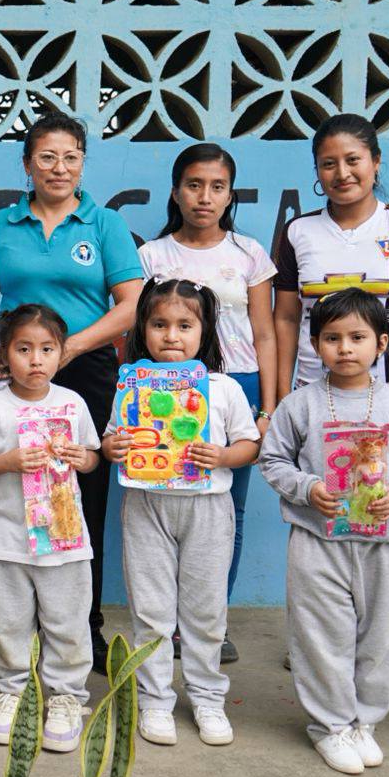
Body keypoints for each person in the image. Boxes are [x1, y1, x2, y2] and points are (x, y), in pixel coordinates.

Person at [273, 113, 389, 691]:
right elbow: (285, 318)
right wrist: (282, 395)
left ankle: (386, 640)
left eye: (353, 160)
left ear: (375, 162)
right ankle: (318, 643)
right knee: (316, 519)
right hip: (317, 400)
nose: (342, 172)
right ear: (317, 171)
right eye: (329, 163)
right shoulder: (297, 232)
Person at [0, 111, 144, 660]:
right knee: (11, 485)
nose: (59, 167)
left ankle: (80, 626)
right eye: (46, 156)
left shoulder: (104, 224)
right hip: (16, 369)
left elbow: (132, 304)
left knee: (83, 492)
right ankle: (16, 628)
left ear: (83, 163)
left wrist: (69, 348)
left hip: (87, 371)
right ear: (27, 164)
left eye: (71, 157)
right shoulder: (0, 225)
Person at [259, 289, 389, 774]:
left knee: (378, 637)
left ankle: (364, 721)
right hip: (317, 542)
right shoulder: (300, 405)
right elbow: (272, 461)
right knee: (322, 636)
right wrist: (307, 488)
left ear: (382, 343)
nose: (344, 348)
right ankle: (330, 726)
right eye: (332, 338)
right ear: (315, 344)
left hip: (384, 544)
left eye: (357, 337)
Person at [101, 281, 260, 748]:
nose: (171, 335)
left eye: (185, 325)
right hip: (146, 505)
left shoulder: (223, 388)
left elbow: (249, 444)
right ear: (143, 330)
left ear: (204, 331)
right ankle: (155, 700)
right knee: (151, 610)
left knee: (205, 610)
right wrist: (114, 447)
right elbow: (110, 440)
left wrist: (223, 456)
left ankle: (208, 697)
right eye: (159, 324)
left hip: (207, 508)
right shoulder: (130, 386)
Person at [137, 144, 276, 664]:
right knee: (165, 502)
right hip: (167, 389)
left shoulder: (249, 253)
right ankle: (167, 622)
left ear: (230, 195)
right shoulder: (152, 256)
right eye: (194, 185)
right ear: (176, 192)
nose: (205, 197)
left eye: (218, 187)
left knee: (226, 509)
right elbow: (139, 329)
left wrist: (268, 405)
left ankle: (211, 621)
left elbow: (266, 333)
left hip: (235, 385)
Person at [0, 303, 99, 754]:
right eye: (23, 349)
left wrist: (83, 458)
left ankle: (65, 696)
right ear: (4, 353)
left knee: (67, 621)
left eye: (46, 349)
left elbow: (93, 456)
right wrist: (5, 462)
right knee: (8, 623)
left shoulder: (72, 403)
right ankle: (12, 690)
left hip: (65, 541)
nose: (35, 360)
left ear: (60, 353)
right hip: (6, 541)